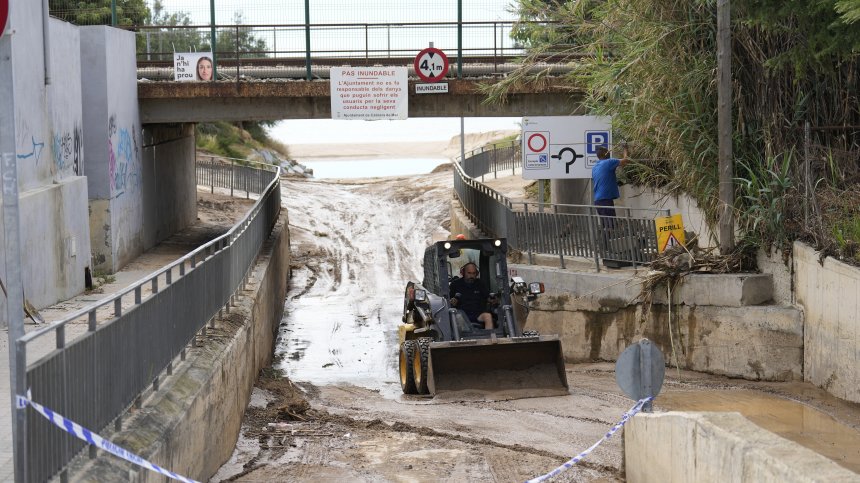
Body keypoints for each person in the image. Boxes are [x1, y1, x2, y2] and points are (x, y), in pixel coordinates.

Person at [449, 262, 494, 330]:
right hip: (462, 314)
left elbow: (487, 297)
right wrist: (452, 301)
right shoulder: (455, 284)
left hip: (478, 314)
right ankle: (463, 340)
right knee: (458, 317)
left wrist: (492, 300)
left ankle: (490, 338)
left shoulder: (480, 284)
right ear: (463, 273)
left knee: (488, 316)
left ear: (477, 274)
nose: (471, 276)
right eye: (469, 273)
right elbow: (449, 300)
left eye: (473, 273)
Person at [591, 145, 629, 217]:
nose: (609, 152)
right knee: (611, 225)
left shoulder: (595, 167)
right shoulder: (609, 162)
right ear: (605, 153)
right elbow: (626, 160)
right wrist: (625, 148)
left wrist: (615, 183)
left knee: (606, 225)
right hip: (605, 201)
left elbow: (602, 179)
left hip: (598, 200)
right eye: (607, 151)